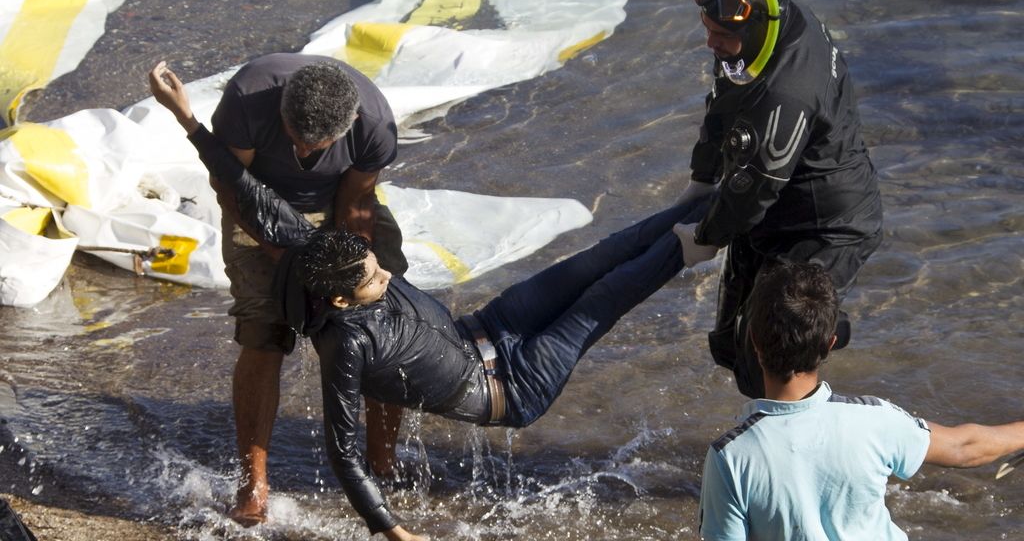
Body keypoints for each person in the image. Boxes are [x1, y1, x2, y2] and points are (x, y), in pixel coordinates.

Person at [150, 62, 717, 541]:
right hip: (511, 386)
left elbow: (245, 189)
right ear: (345, 299)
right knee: (606, 296)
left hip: (485, 331)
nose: (384, 271)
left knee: (591, 262)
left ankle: (697, 201)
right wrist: (391, 530)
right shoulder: (348, 343)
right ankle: (709, 236)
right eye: (374, 276)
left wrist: (186, 119)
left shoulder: (321, 251)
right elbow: (340, 453)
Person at [153, 53, 409, 525]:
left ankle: (382, 463)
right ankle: (253, 485)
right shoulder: (248, 98)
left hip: (337, 208)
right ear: (282, 114)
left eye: (320, 146)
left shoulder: (373, 123)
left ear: (349, 123)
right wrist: (284, 257)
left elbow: (356, 200)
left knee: (381, 329)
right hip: (256, 211)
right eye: (297, 142)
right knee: (264, 336)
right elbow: (230, 185)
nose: (307, 154)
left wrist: (350, 266)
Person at [674, 0, 884, 398]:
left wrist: (707, 236)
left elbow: (753, 192)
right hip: (777, 209)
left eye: (721, 36)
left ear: (752, 31)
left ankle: (822, 337)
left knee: (771, 357)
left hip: (827, 228)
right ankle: (812, 336)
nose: (710, 42)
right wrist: (702, 177)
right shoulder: (770, 30)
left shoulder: (787, 92)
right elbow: (724, 102)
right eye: (707, 29)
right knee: (729, 345)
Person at [698, 262, 1024, 540]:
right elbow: (965, 447)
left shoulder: (730, 457)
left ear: (753, 338)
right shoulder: (874, 420)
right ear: (830, 344)